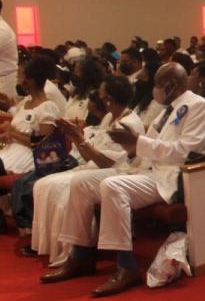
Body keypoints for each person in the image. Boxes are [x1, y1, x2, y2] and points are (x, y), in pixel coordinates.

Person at [42, 63, 205, 297]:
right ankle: (80, 256)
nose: (154, 90)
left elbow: (186, 150)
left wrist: (137, 142)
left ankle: (126, 267)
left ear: (171, 85)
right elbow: (144, 147)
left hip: (169, 176)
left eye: (157, 85)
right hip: (144, 169)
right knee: (81, 182)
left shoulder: (198, 106)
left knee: (112, 186)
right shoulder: (166, 110)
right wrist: (129, 144)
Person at [30, 76, 145, 265]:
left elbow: (108, 163)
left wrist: (79, 139)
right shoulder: (109, 117)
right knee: (43, 185)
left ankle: (72, 252)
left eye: (101, 95)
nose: (98, 98)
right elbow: (92, 154)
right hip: (95, 167)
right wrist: (77, 138)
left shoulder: (129, 123)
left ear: (109, 98)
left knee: (60, 188)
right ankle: (52, 246)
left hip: (118, 171)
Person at [0, 56, 60, 237]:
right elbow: (18, 125)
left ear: (30, 79)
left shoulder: (48, 107)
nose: (18, 78)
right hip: (10, 151)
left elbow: (43, 144)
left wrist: (12, 132)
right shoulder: (25, 102)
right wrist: (7, 125)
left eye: (20, 74)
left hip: (26, 157)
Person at [130, 60, 165, 130]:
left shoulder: (158, 103)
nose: (139, 77)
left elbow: (148, 128)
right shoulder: (141, 96)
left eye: (145, 74)